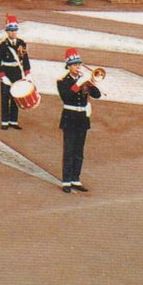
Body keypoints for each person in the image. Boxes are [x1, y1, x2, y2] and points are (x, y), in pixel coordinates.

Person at [58, 48, 101, 193]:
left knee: (79, 151)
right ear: (69, 66)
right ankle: (66, 181)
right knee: (69, 150)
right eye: (75, 65)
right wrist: (79, 83)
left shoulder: (84, 81)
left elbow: (97, 95)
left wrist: (92, 82)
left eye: (79, 64)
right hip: (69, 117)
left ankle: (75, 178)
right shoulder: (62, 81)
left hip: (82, 118)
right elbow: (67, 96)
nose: (78, 67)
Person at [0, 15, 31, 130]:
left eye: (15, 30)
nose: (13, 33)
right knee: (5, 97)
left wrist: (28, 73)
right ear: (7, 32)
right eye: (11, 31)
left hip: (17, 72)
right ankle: (4, 120)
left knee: (16, 97)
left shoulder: (21, 43)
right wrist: (2, 76)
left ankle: (13, 120)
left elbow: (25, 59)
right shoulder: (1, 45)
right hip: (6, 72)